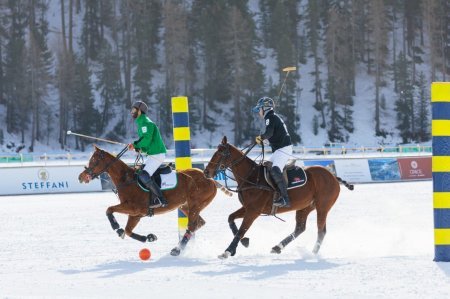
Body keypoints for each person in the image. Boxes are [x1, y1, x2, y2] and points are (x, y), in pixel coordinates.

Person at [252, 97, 293, 208]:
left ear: (265, 108)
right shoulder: (271, 117)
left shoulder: (270, 117)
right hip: (278, 149)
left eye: (259, 109)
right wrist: (264, 140)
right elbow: (273, 135)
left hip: (284, 148)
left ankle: (285, 199)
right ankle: (274, 194)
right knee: (266, 168)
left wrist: (261, 137)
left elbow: (269, 133)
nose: (259, 112)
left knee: (275, 170)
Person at [128, 101, 168, 208]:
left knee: (143, 175)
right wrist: (138, 148)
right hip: (152, 154)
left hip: (157, 154)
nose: (132, 112)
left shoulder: (145, 123)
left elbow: (146, 140)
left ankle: (161, 199)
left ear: (140, 111)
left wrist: (135, 145)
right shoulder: (141, 123)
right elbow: (145, 143)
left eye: (134, 110)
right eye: (132, 110)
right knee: (139, 172)